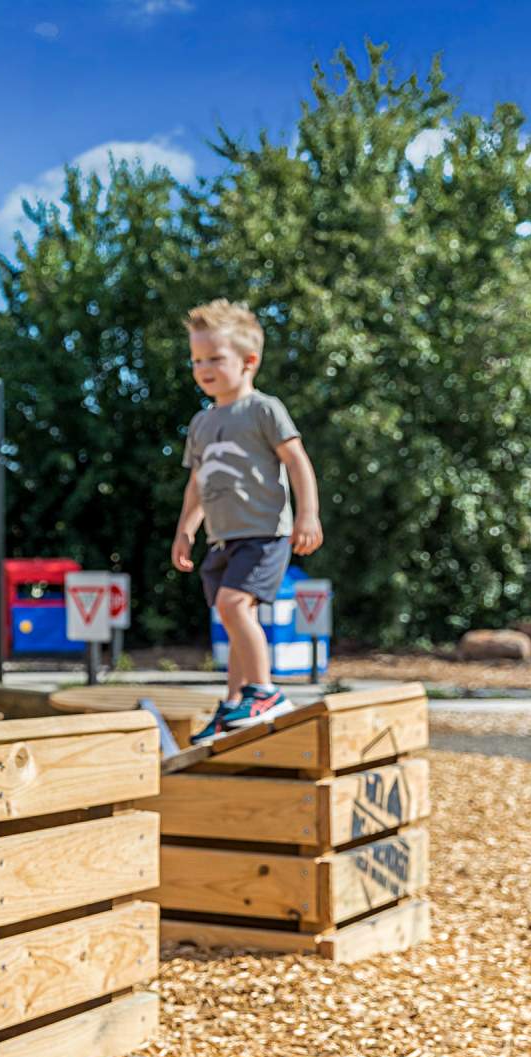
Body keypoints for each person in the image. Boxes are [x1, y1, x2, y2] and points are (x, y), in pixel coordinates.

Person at [170, 299, 323, 741]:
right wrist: (185, 530)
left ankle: (265, 692)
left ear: (249, 361)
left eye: (215, 358)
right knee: (233, 618)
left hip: (263, 533)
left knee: (234, 606)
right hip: (223, 538)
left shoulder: (262, 409)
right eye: (197, 360)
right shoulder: (201, 423)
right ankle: (235, 703)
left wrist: (308, 514)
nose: (204, 368)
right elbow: (198, 483)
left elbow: (297, 461)